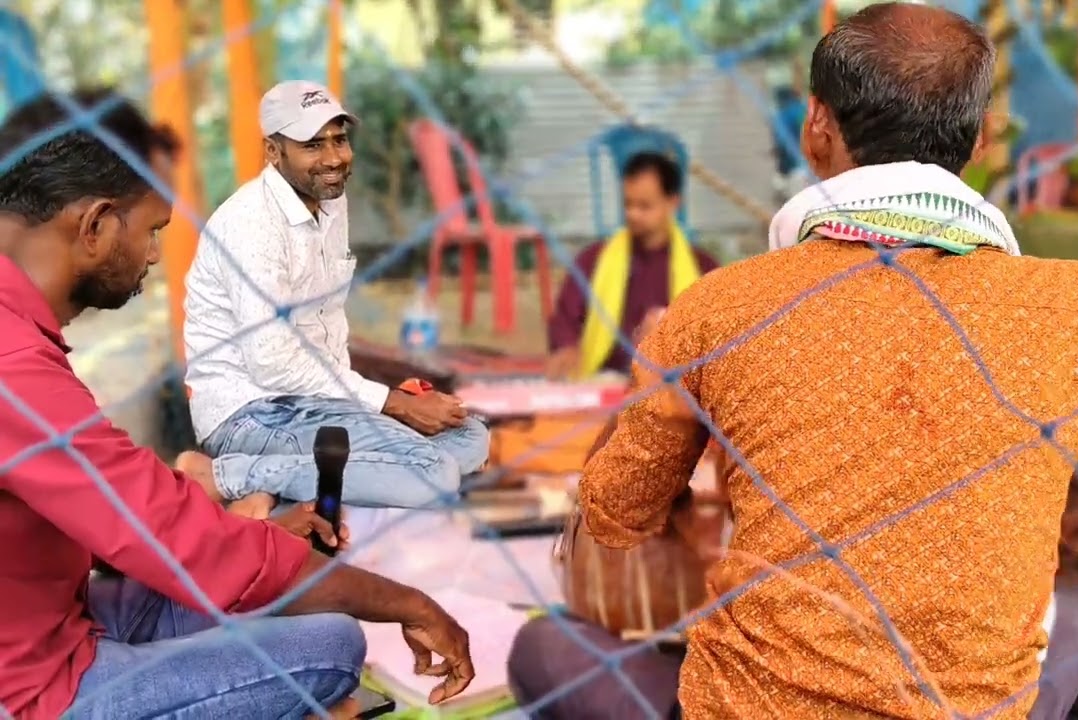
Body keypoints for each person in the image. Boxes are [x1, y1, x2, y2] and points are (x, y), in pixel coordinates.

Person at [575, 4, 1078, 719]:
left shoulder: (714, 309)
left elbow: (611, 514)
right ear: (977, 142)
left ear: (816, 125)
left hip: (749, 706)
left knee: (551, 653)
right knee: (1074, 618)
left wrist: (659, 381)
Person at [0, 90, 474, 719]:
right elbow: (169, 527)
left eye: (339, 141)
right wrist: (409, 602)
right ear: (95, 224)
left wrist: (255, 540)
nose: (153, 255)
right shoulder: (16, 366)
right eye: (153, 232)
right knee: (333, 643)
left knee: (281, 576)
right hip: (34, 684)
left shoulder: (20, 336)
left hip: (58, 616)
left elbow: (106, 509)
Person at [183, 80, 489, 516]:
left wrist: (367, 409)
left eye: (339, 139)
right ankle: (225, 476)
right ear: (274, 151)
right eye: (312, 145)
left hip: (315, 405)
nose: (334, 159)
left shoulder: (328, 200)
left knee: (471, 436)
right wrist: (390, 404)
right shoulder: (251, 224)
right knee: (434, 474)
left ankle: (278, 486)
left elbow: (324, 327)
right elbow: (273, 363)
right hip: (252, 412)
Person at [545, 151, 718, 380]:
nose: (633, 214)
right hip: (602, 383)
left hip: (672, 392)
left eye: (644, 206)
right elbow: (565, 319)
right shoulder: (594, 260)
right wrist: (567, 346)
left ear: (672, 202)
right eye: (628, 204)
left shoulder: (702, 268)